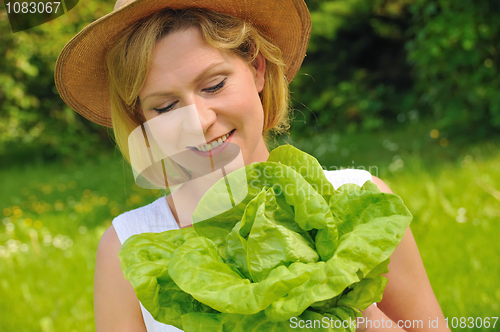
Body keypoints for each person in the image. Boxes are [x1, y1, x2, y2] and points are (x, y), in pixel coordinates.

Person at [55, 0, 451, 331]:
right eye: (166, 106)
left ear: (257, 69)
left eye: (214, 85)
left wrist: (344, 300)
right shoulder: (129, 246)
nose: (199, 121)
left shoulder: (359, 204)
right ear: (144, 121)